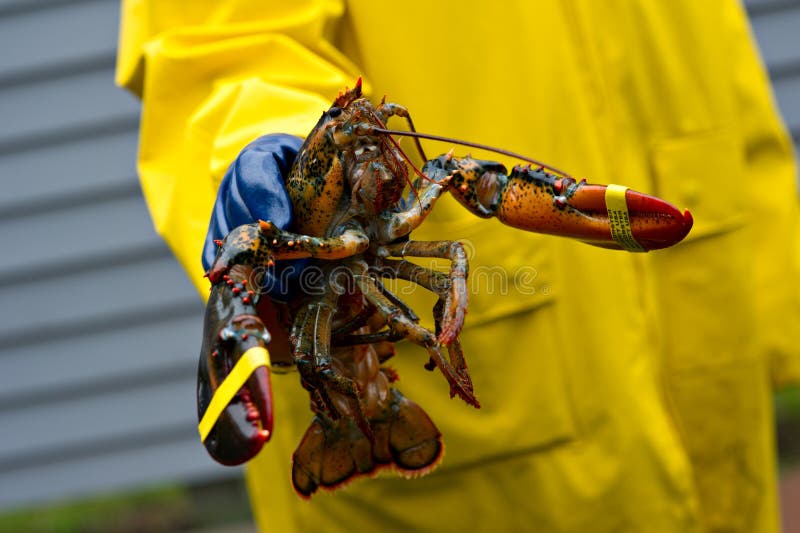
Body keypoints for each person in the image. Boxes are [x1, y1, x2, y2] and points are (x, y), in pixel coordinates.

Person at [117, 2, 800, 531]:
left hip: (704, 378)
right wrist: (261, 147)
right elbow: (217, 56)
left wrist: (777, 285)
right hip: (485, 468)